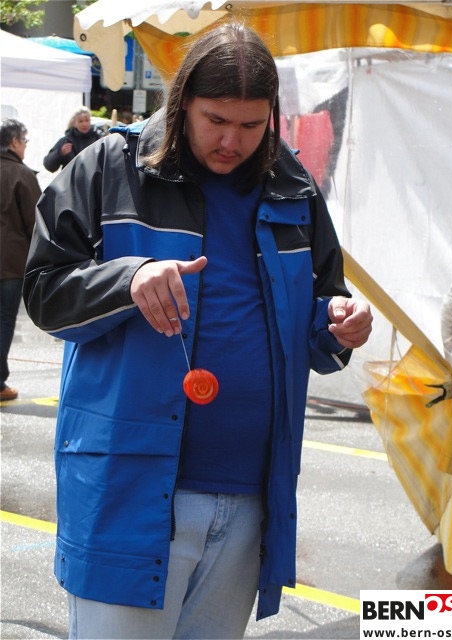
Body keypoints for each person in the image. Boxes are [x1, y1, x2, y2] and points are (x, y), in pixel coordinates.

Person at [24, 22, 373, 640]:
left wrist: (339, 323)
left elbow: (321, 305)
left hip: (251, 496)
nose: (232, 141)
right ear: (183, 100)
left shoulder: (293, 185)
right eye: (216, 120)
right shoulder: (112, 164)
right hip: (128, 494)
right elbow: (44, 292)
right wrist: (129, 279)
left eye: (251, 125)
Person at [0, 118, 41, 402]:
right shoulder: (21, 174)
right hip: (10, 262)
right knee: (4, 320)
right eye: (24, 141)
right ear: (14, 142)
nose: (25, 146)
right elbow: (37, 224)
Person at [43, 106, 104, 173]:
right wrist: (60, 153)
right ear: (74, 123)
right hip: (71, 179)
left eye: (87, 120)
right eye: (80, 121)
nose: (84, 124)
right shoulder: (66, 141)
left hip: (95, 179)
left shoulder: (99, 139)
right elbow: (49, 165)